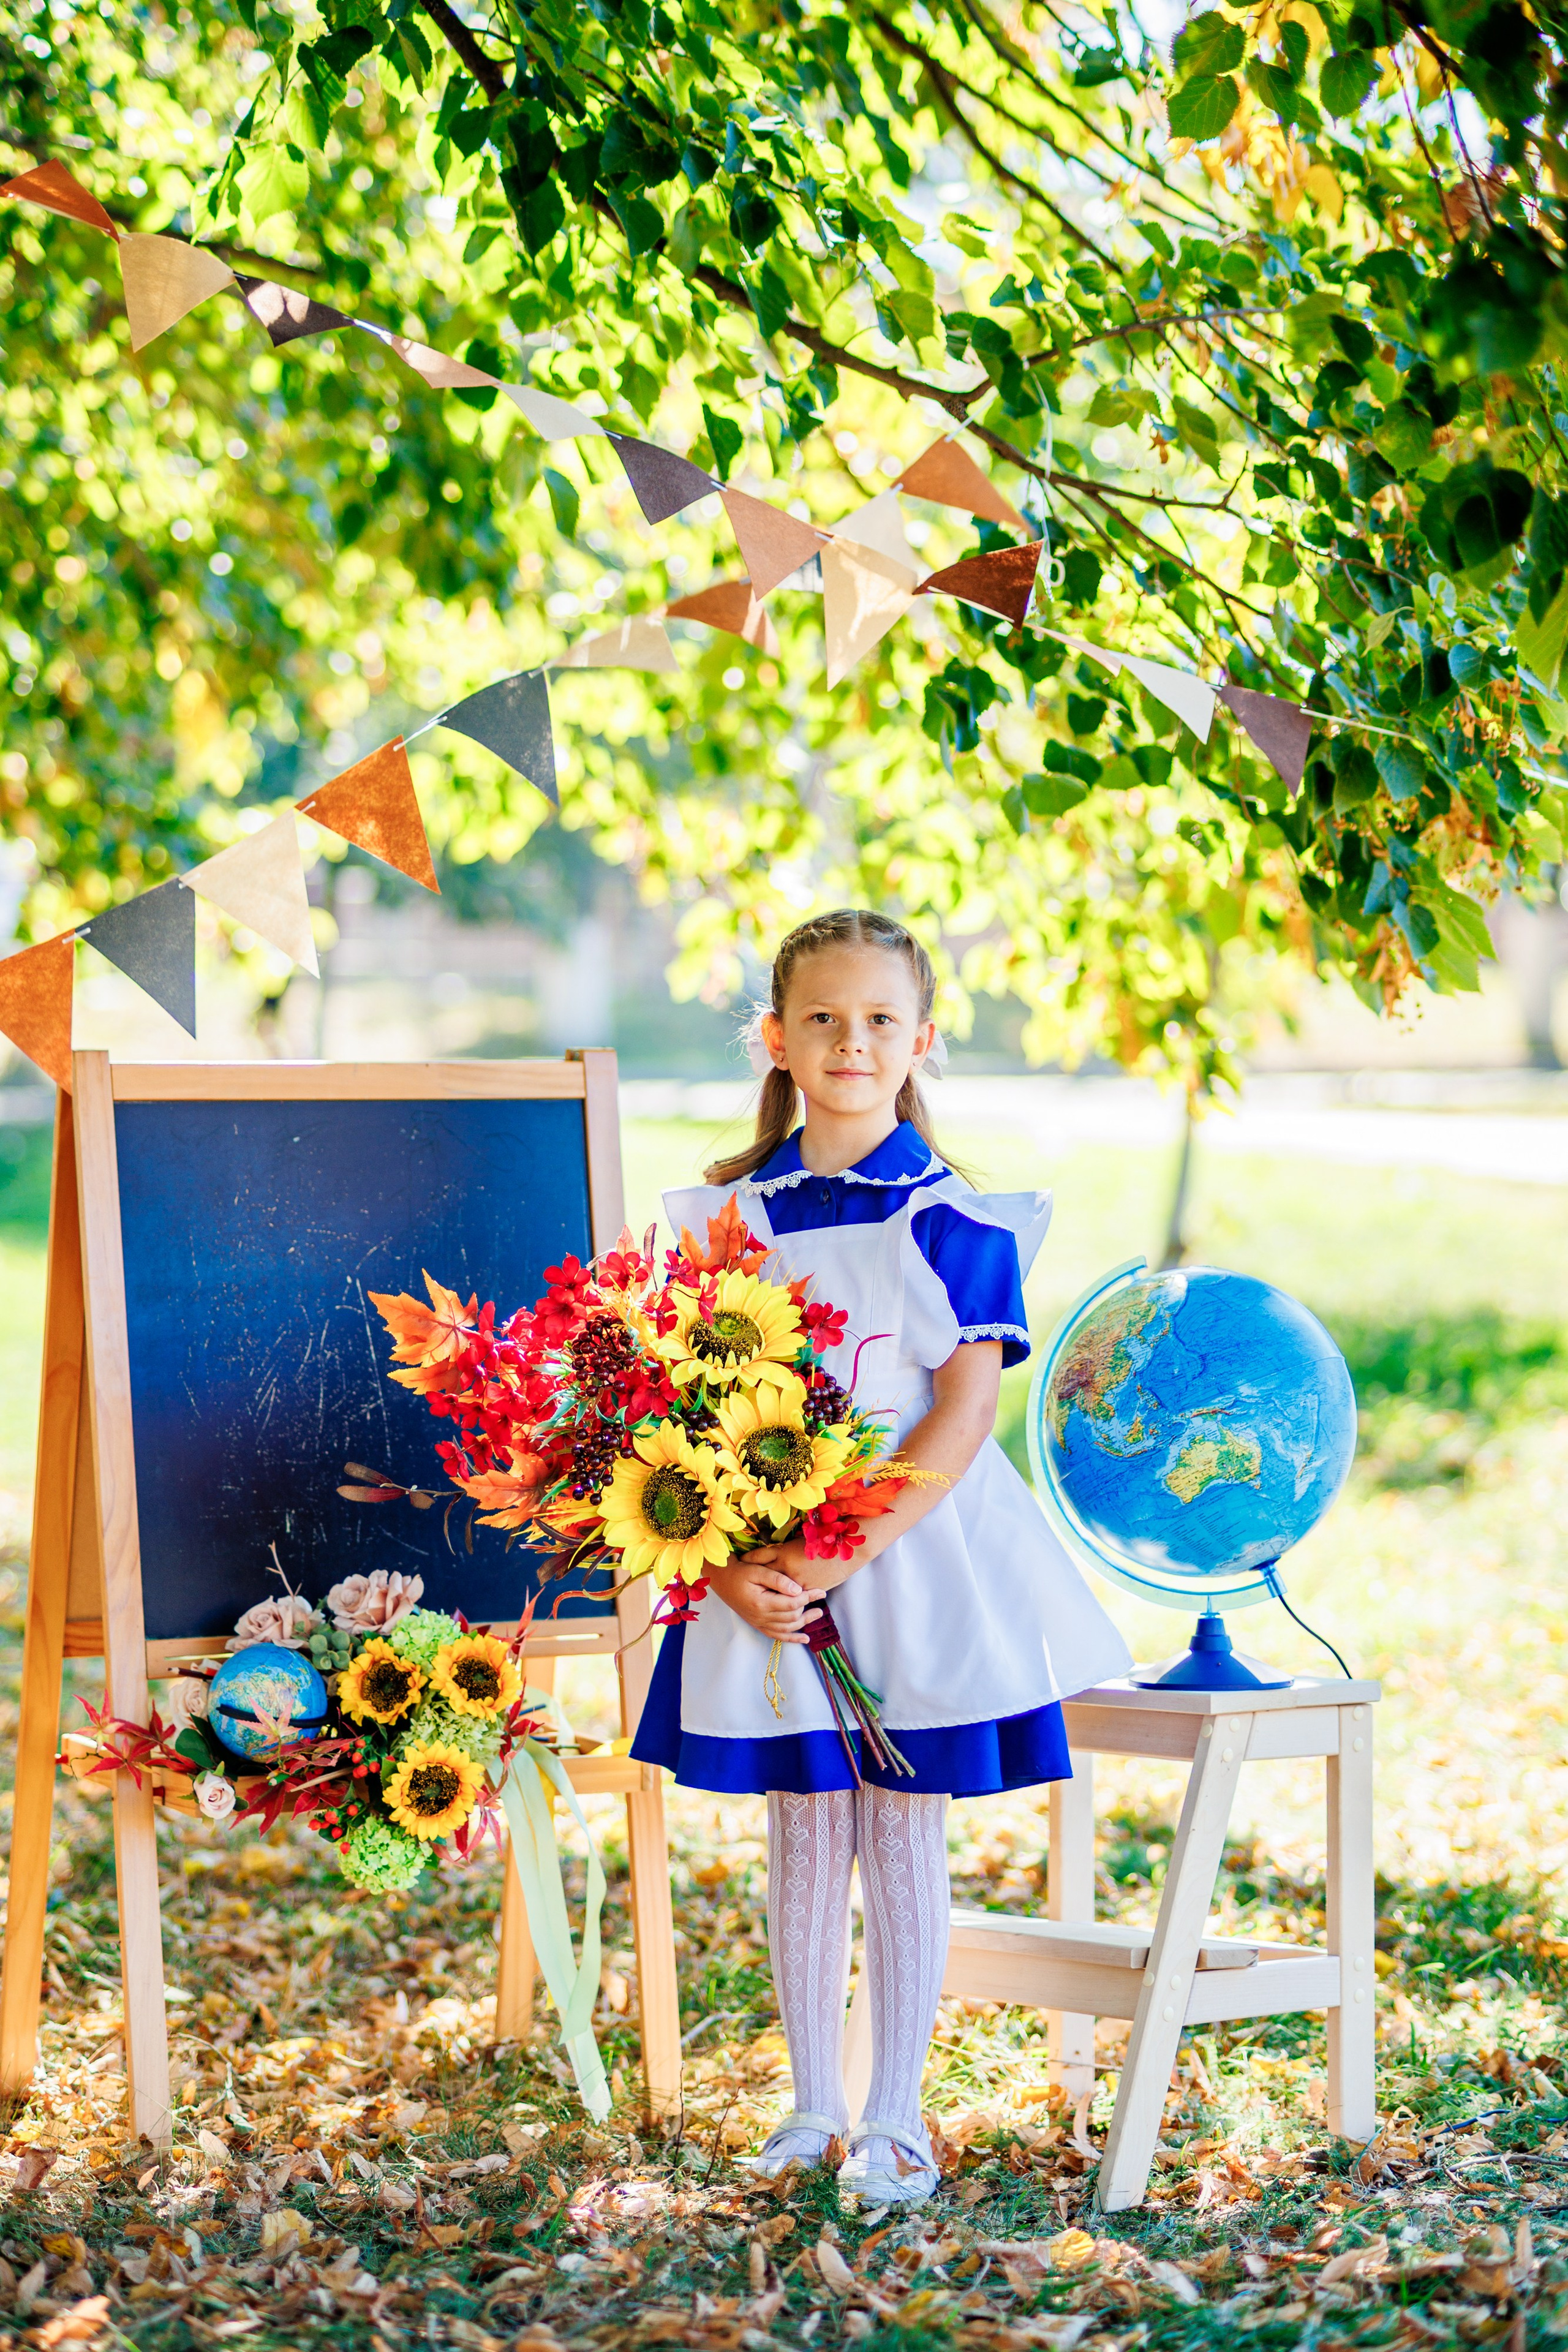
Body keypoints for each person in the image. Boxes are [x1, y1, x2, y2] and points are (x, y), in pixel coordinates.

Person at [630, 908, 1131, 2207]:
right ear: (774, 1039)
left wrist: (834, 1547)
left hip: (907, 1560)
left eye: (877, 1021)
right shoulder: (721, 1222)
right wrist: (739, 1567)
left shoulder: (958, 1221)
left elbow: (959, 1416)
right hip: (762, 1580)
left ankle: (894, 2119)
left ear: (921, 1041)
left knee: (900, 1832)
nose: (850, 1043)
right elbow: (685, 1405)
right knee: (802, 1832)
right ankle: (808, 2107)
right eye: (820, 1018)